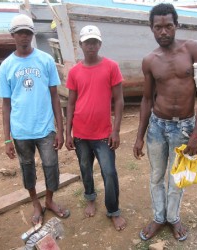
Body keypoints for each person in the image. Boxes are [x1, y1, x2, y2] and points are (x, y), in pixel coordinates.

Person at [133, 3, 197, 241]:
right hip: (157, 126)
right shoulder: (149, 60)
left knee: (176, 177)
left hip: (184, 126)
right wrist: (139, 136)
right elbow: (146, 99)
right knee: (157, 175)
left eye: (168, 26)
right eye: (158, 27)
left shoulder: (193, 49)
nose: (163, 31)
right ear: (151, 29)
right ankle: (159, 217)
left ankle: (173, 217)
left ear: (176, 25)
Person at [0, 14, 70, 225]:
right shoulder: (6, 66)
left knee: (51, 166)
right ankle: (35, 203)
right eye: (20, 32)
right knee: (27, 167)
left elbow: (55, 96)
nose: (24, 36)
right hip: (20, 130)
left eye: (27, 32)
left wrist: (60, 129)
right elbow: (6, 105)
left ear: (32, 34)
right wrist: (7, 139)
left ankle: (49, 200)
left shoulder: (45, 60)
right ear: (13, 35)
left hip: (45, 128)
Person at [65, 25, 126, 231]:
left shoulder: (111, 67)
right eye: (87, 42)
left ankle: (113, 210)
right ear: (80, 44)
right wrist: (68, 133)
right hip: (81, 134)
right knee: (85, 169)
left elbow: (119, 101)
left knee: (109, 172)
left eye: (94, 42)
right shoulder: (74, 71)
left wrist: (115, 130)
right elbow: (71, 103)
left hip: (103, 135)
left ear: (99, 44)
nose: (91, 46)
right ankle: (90, 197)